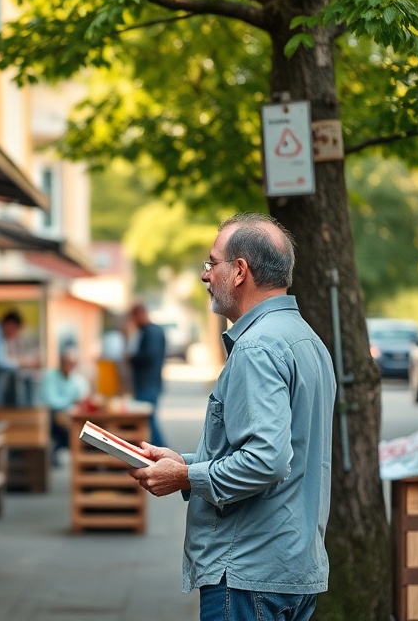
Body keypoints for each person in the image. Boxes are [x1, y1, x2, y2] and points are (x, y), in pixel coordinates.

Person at [128, 213, 336, 621]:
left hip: (248, 575)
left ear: (240, 271)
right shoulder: (306, 339)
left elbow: (267, 460)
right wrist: (184, 462)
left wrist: (186, 477)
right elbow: (278, 450)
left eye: (212, 263)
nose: (206, 275)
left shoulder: (257, 347)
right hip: (291, 569)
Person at [41, 345, 91, 461]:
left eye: (73, 363)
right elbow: (50, 402)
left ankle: (87, 459)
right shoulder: (50, 377)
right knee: (73, 431)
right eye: (68, 362)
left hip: (73, 416)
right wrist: (71, 401)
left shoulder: (77, 379)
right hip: (54, 417)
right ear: (62, 362)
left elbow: (83, 397)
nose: (71, 366)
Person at [127, 302, 167, 446]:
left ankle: (163, 452)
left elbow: (149, 355)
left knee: (148, 419)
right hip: (148, 383)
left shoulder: (151, 332)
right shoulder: (150, 331)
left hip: (148, 384)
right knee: (146, 421)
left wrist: (131, 358)